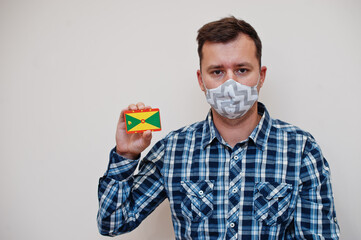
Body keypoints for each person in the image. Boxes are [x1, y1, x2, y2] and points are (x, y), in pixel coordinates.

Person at [97, 16, 340, 239]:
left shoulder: (300, 149)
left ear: (261, 76)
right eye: (217, 72)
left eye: (242, 70)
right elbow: (112, 223)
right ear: (201, 80)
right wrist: (126, 156)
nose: (230, 84)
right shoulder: (173, 150)